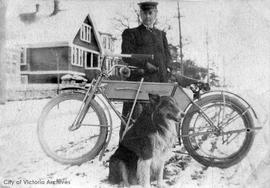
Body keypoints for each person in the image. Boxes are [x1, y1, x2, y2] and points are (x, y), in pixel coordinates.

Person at [119, 1, 172, 138]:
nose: (148, 16)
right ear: (140, 14)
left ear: (156, 14)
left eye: (151, 13)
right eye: (145, 13)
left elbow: (167, 56)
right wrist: (145, 64)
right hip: (139, 82)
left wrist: (169, 68)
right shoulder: (131, 33)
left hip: (159, 83)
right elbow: (127, 55)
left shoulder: (161, 35)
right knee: (133, 121)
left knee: (158, 120)